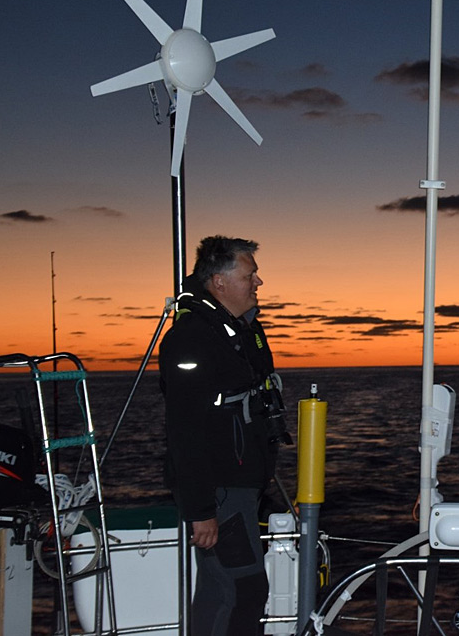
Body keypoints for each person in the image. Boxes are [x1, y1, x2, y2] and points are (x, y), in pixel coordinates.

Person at [159, 236, 290, 636]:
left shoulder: (239, 331)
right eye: (250, 275)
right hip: (220, 490)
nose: (258, 282)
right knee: (242, 588)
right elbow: (185, 430)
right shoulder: (192, 338)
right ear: (219, 282)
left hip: (242, 486)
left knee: (226, 589)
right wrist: (201, 510)